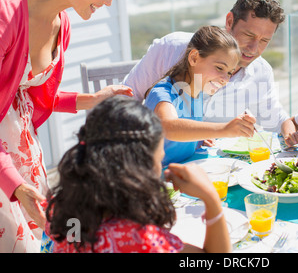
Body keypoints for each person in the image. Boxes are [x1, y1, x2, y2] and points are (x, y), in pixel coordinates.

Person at [0, 0, 133, 253]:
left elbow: (33, 99)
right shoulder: (4, 13)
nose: (109, 3)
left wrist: (94, 100)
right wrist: (15, 186)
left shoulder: (62, 24)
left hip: (24, 155)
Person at [46, 96, 231, 253]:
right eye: (159, 160)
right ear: (137, 170)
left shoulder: (62, 210)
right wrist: (211, 199)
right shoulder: (141, 239)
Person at [124, 0, 298, 147]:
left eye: (264, 41)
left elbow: (275, 116)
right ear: (229, 21)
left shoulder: (260, 71)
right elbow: (127, 103)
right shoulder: (170, 51)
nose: (253, 48)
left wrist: (197, 139)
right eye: (248, 35)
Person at [144, 25, 256, 165]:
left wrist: (197, 139)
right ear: (194, 58)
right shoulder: (163, 93)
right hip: (155, 179)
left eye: (229, 72)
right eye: (219, 68)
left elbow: (182, 131)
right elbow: (169, 127)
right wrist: (224, 129)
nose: (225, 79)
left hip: (182, 169)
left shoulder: (196, 93)